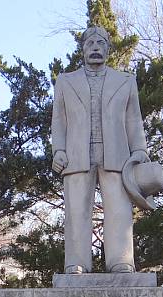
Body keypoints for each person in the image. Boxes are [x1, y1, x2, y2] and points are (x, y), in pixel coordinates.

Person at [51, 25, 150, 274]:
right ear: (82, 49)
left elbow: (133, 120)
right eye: (90, 44)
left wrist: (140, 151)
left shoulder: (126, 81)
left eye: (101, 44)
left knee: (119, 210)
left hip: (117, 155)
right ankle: (76, 262)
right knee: (76, 211)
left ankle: (121, 261)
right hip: (76, 155)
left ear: (108, 48)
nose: (95, 48)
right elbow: (59, 120)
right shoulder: (65, 81)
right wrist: (58, 150)